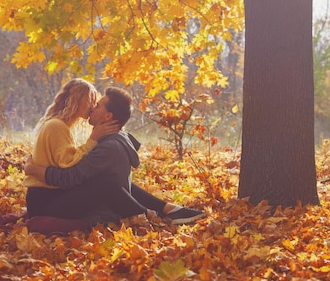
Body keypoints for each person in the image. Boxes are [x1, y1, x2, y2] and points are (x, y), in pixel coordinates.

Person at [25, 86, 206, 225]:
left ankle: (154, 214)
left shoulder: (108, 146)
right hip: (47, 202)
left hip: (53, 201)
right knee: (106, 181)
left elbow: (69, 176)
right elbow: (72, 170)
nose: (92, 108)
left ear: (107, 116)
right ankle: (164, 210)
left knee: (105, 182)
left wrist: (33, 169)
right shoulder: (111, 140)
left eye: (97, 105)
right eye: (91, 102)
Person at [24, 77, 120, 218]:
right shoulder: (56, 126)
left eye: (95, 102)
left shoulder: (60, 125)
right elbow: (68, 164)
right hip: (44, 198)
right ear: (76, 99)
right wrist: (93, 139)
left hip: (48, 195)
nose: (93, 106)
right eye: (90, 100)